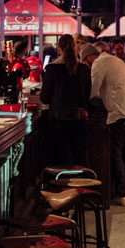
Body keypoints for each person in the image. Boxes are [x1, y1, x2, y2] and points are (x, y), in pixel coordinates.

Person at [82, 42, 125, 206]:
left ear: (89, 58)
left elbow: (92, 91)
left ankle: (122, 194)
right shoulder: (114, 60)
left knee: (114, 151)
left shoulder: (99, 63)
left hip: (121, 112)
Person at [40, 34, 91, 165]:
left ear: (59, 49)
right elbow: (87, 96)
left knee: (60, 160)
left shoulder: (51, 69)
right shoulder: (84, 69)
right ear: (75, 48)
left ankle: (62, 184)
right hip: (79, 120)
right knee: (79, 159)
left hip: (58, 121)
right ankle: (80, 184)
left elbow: (44, 98)